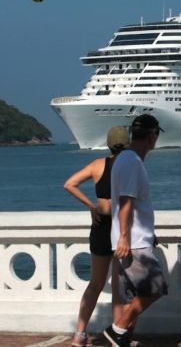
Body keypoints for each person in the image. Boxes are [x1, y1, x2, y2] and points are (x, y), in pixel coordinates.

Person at [104, 114, 168, 347]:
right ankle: (117, 330)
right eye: (156, 135)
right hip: (133, 242)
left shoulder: (124, 158)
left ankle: (122, 339)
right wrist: (124, 238)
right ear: (152, 135)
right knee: (154, 288)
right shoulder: (132, 162)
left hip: (132, 238)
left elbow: (133, 204)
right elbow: (126, 202)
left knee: (131, 295)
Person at [64, 126, 130, 347]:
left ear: (109, 144)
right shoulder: (129, 166)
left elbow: (69, 184)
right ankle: (118, 337)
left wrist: (91, 207)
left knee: (95, 284)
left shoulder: (97, 165)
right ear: (127, 144)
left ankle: (80, 334)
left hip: (100, 225)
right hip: (120, 228)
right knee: (119, 287)